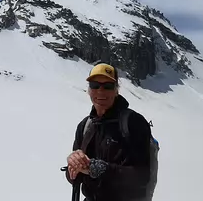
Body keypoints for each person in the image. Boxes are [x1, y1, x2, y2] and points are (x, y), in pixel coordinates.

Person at [65, 63, 152, 201]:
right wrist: (73, 164)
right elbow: (74, 178)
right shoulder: (85, 126)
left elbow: (142, 177)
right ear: (88, 90)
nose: (100, 91)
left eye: (108, 86)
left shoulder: (133, 123)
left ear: (116, 90)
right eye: (95, 85)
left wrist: (98, 169)